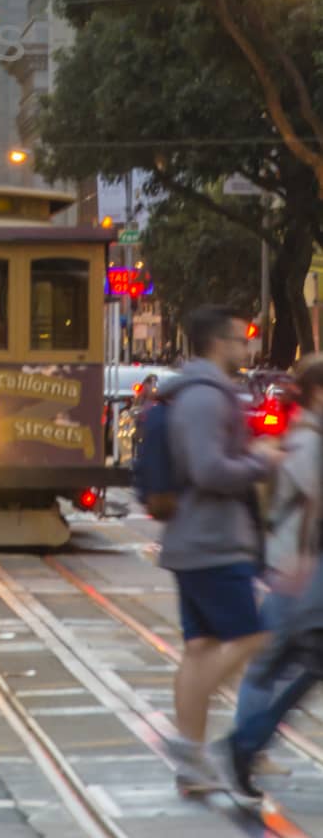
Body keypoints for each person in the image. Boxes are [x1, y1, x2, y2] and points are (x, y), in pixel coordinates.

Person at [160, 304, 281, 797]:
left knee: (201, 648)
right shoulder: (206, 398)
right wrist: (259, 462)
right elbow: (208, 470)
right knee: (252, 637)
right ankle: (189, 748)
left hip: (196, 539)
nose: (245, 348)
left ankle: (191, 761)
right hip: (212, 542)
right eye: (238, 339)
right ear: (217, 343)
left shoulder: (193, 393)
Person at [222, 357, 323, 796]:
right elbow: (312, 505)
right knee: (280, 665)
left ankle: (245, 745)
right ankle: (243, 744)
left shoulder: (306, 437)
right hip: (300, 572)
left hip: (299, 571)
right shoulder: (308, 441)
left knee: (289, 664)